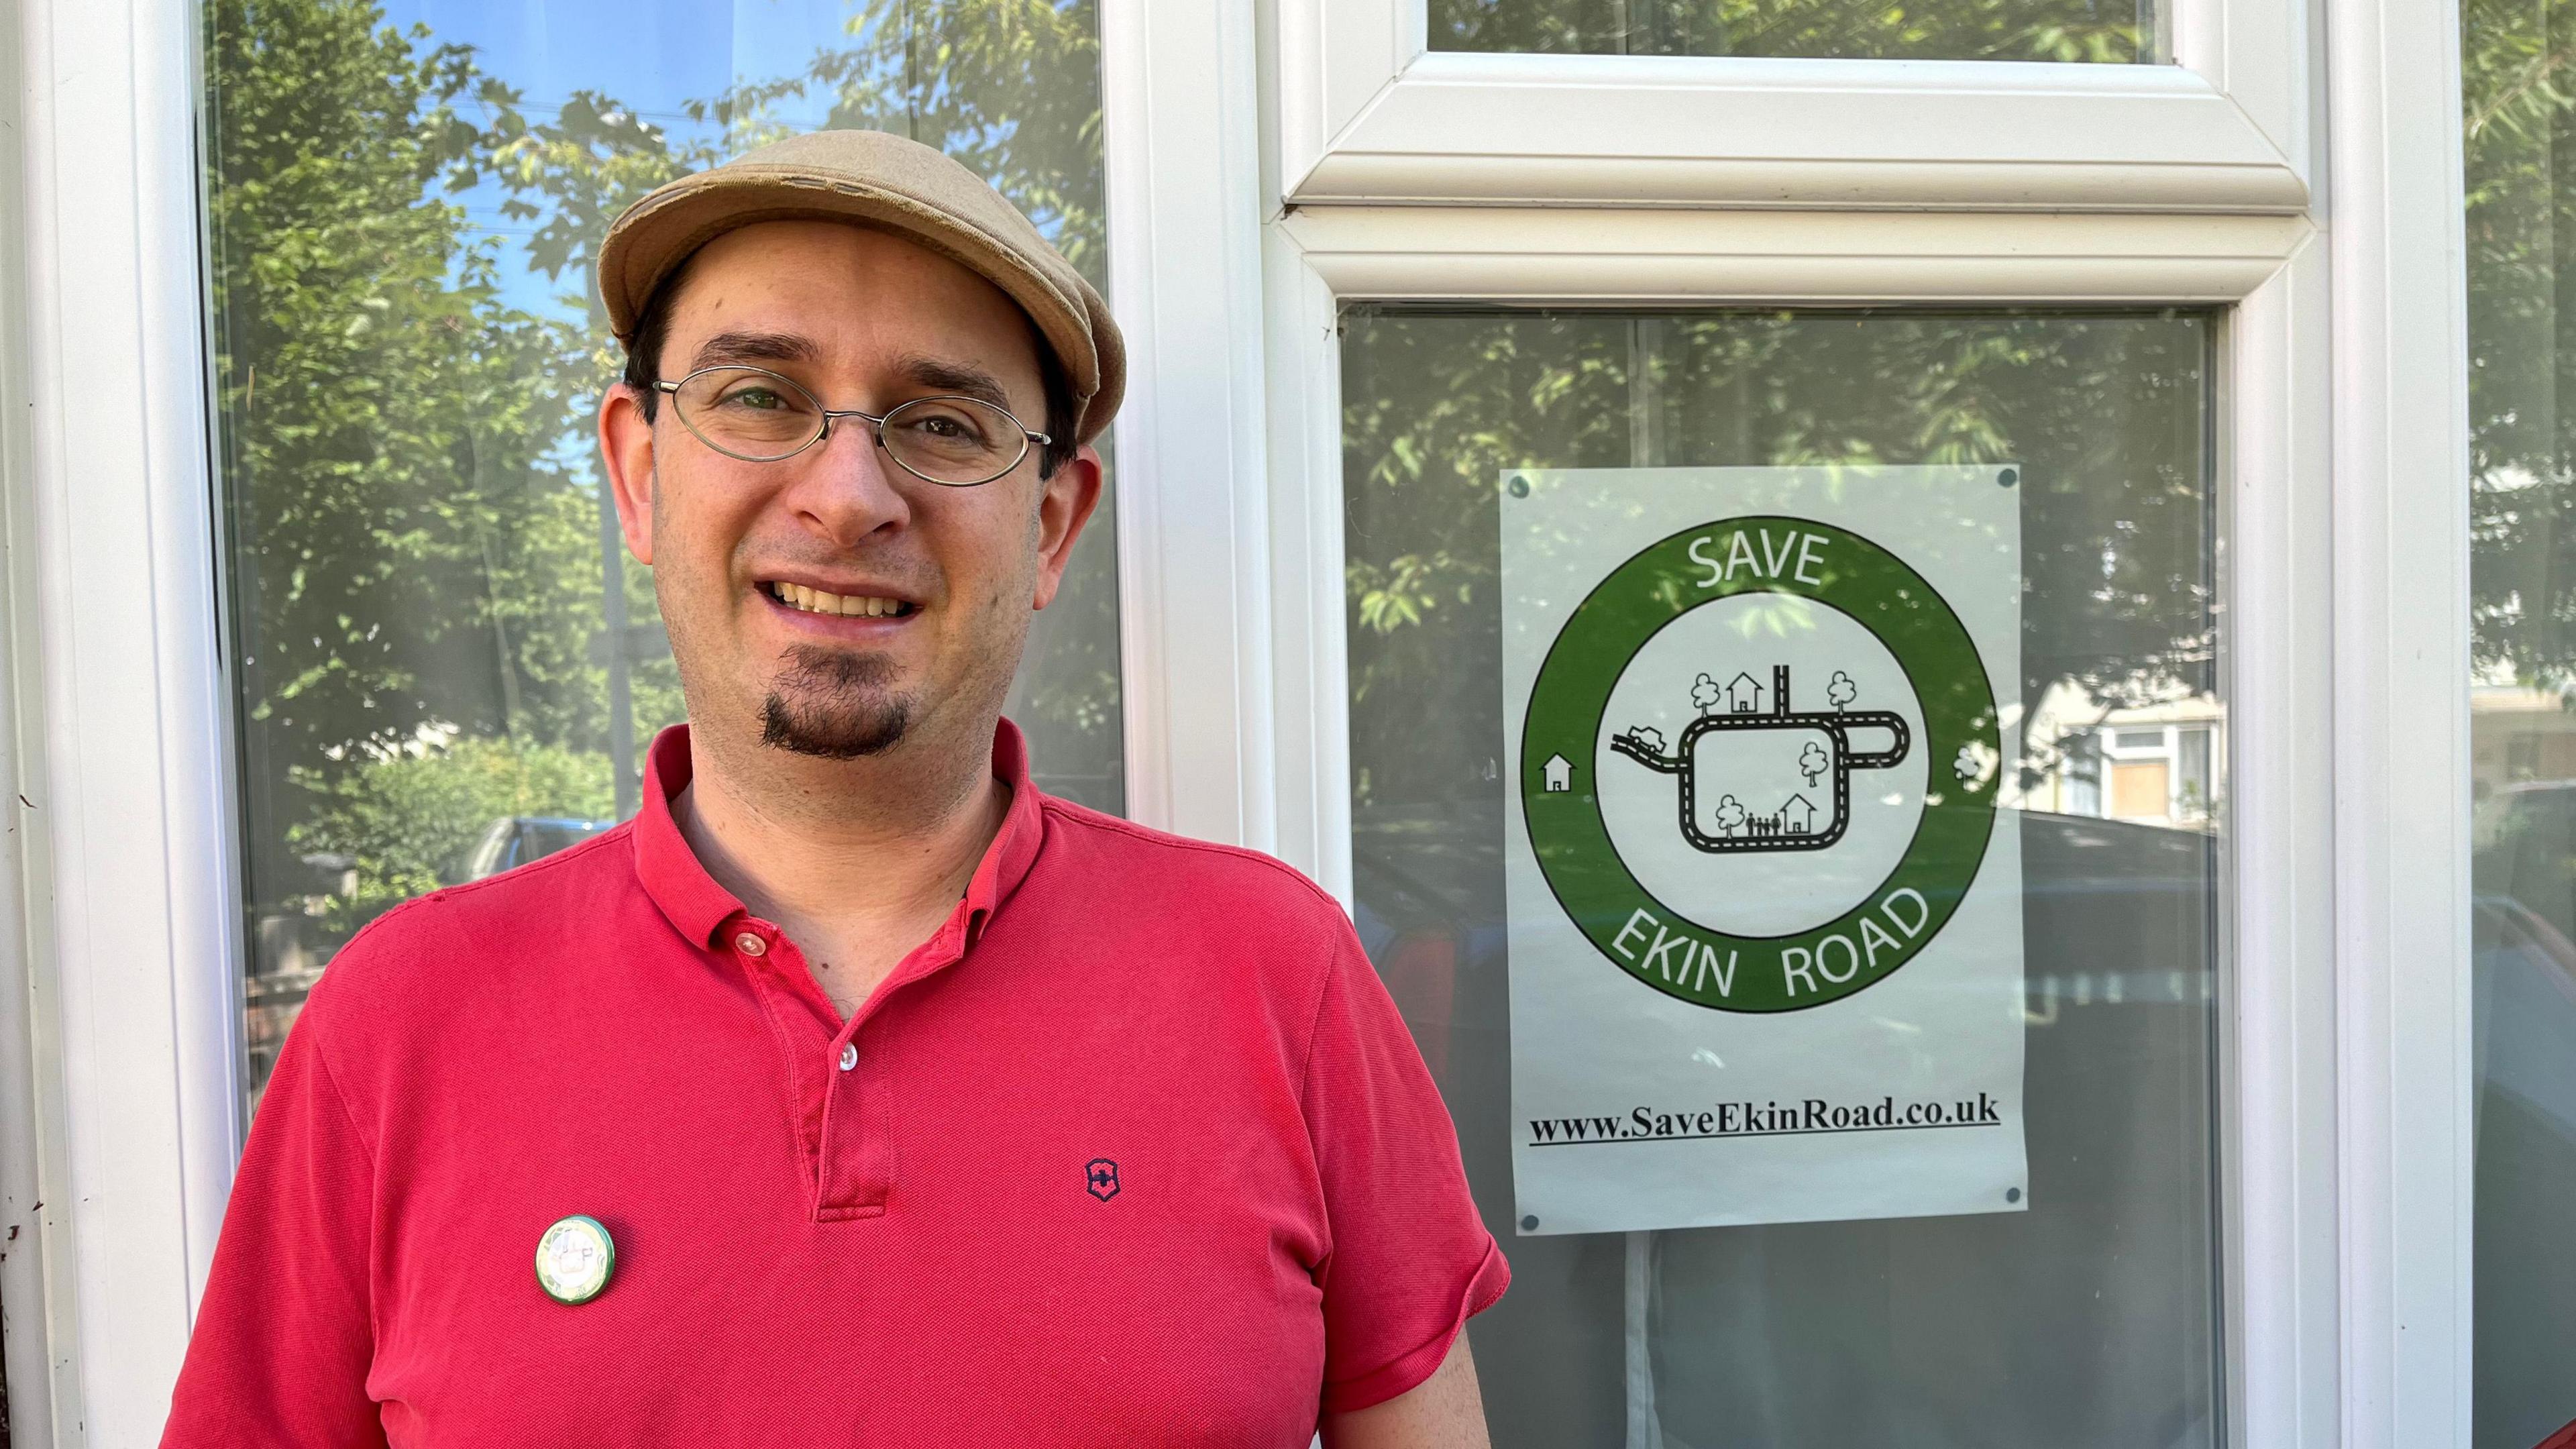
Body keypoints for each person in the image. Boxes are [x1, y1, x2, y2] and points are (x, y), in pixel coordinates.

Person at [161, 129, 1506, 1446]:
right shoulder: (398, 1026)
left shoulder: (1280, 978)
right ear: (637, 470)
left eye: (940, 421)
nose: (850, 494)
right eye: (761, 398)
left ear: (1049, 525)